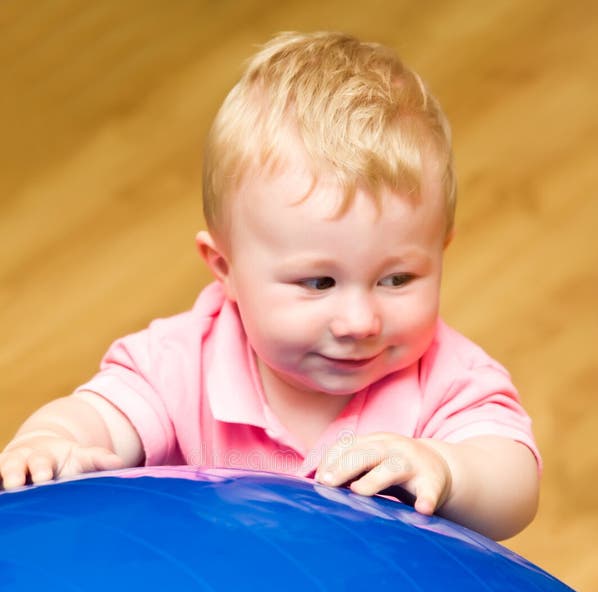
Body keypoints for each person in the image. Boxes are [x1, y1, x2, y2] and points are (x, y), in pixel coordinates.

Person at [0, 31, 540, 540]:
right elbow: (100, 416)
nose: (359, 322)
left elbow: (514, 484)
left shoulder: (448, 379)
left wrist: (448, 468)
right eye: (318, 281)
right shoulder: (185, 360)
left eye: (397, 279)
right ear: (224, 268)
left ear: (441, 251)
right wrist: (53, 442)